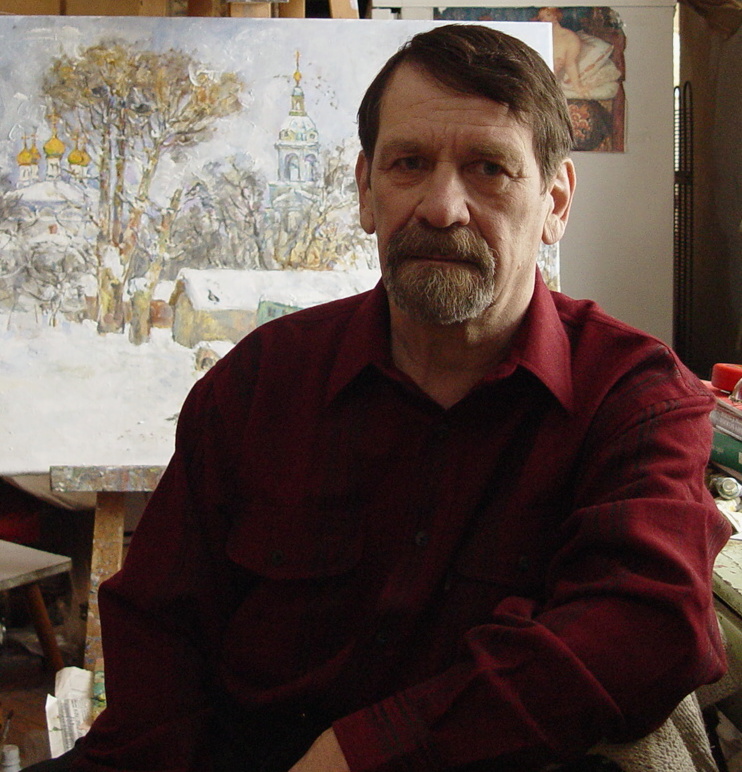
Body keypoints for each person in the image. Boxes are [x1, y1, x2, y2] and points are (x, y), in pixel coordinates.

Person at [42, 24, 729, 772]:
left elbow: (649, 623)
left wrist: (363, 755)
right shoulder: (257, 386)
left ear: (555, 202)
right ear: (367, 191)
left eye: (489, 169)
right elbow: (159, 641)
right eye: (409, 164)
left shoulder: (632, 398)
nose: (442, 207)